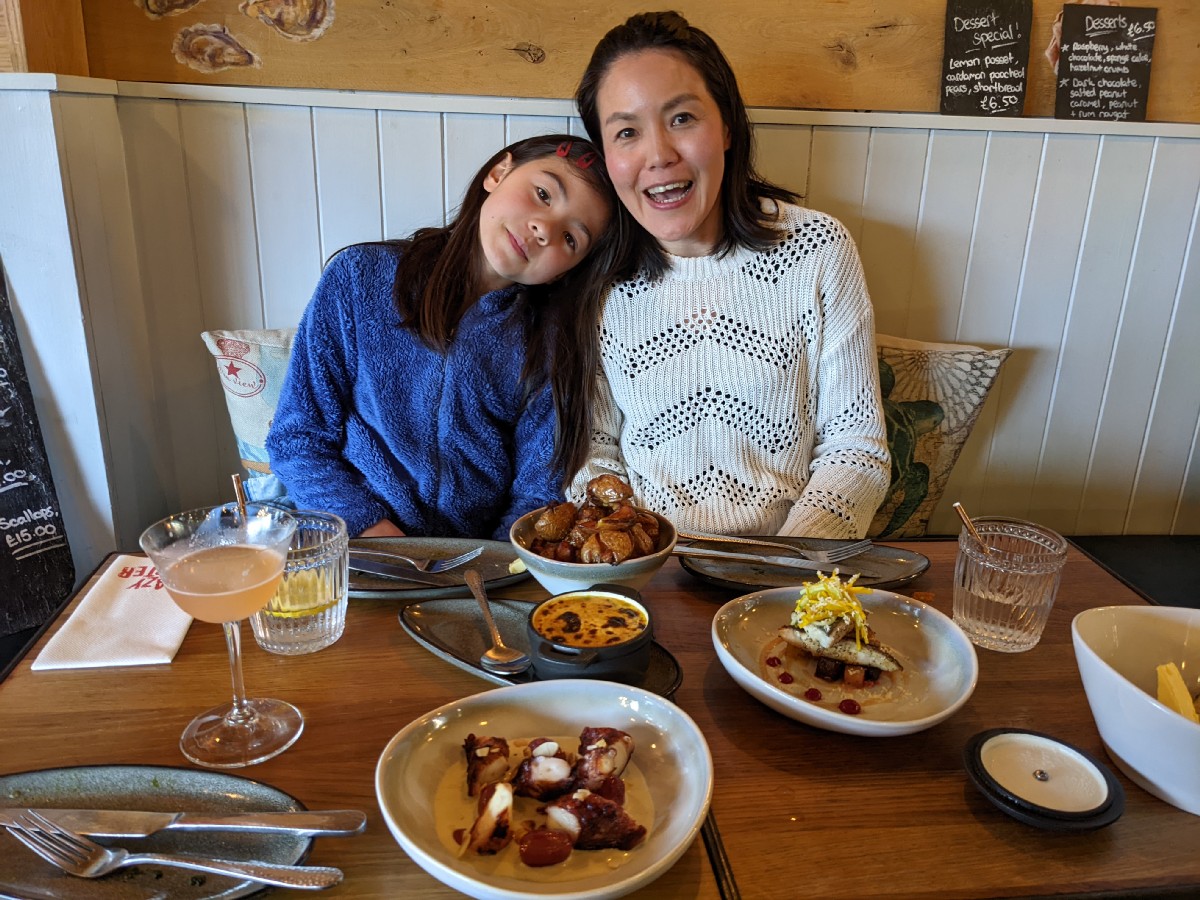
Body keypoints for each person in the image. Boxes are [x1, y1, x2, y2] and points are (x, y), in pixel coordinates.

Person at [570, 11, 890, 539]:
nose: (659, 155)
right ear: (606, 156)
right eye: (627, 132)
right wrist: (634, 551)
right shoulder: (595, 277)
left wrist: (779, 568)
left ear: (726, 127)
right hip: (647, 566)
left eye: (682, 118)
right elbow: (592, 455)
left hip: (792, 566)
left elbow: (856, 451)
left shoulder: (818, 249)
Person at [265, 134, 623, 540]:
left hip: (474, 562)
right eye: (542, 193)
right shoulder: (358, 277)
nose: (544, 229)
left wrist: (491, 563)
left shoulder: (551, 346)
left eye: (571, 238)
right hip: (354, 545)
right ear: (498, 172)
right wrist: (377, 536)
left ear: (566, 271)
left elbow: (536, 493)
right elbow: (297, 438)